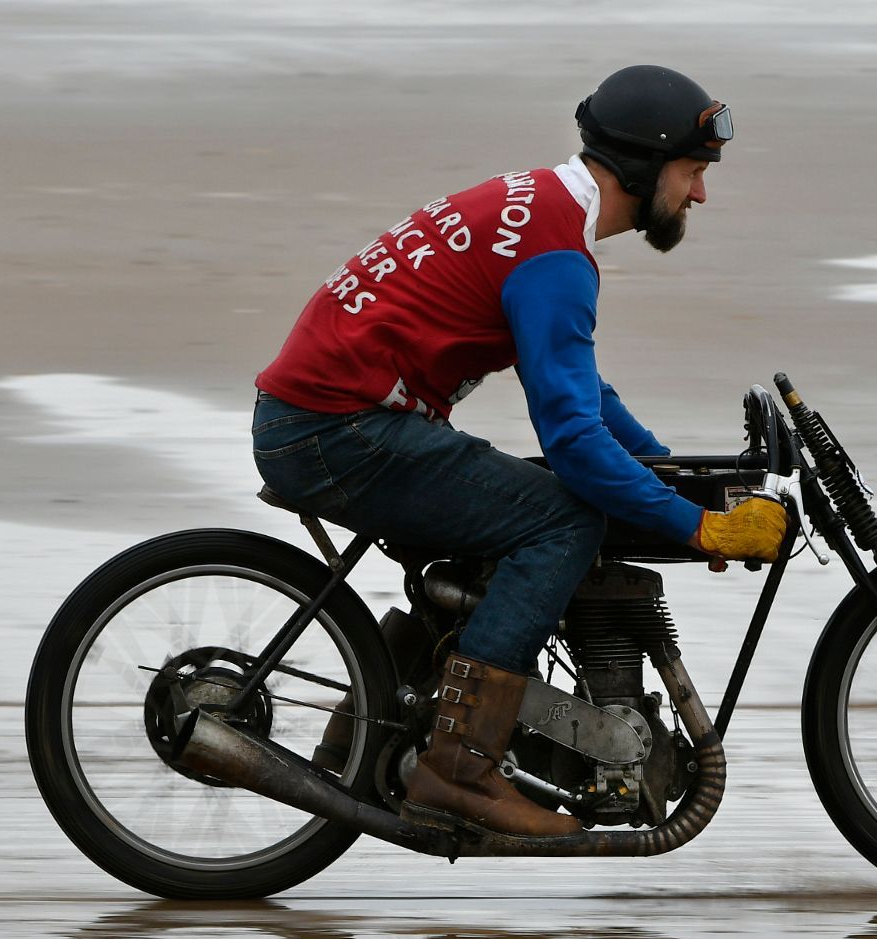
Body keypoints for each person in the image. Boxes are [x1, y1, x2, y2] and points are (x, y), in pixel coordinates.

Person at [252, 65, 788, 840]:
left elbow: (583, 393)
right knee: (563, 521)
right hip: (335, 433)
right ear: (643, 164)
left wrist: (669, 476)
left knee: (533, 506)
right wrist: (695, 528)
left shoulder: (540, 205)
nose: (700, 194)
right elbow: (571, 441)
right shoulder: (556, 260)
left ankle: (367, 725)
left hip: (328, 419)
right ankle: (457, 768)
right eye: (693, 171)